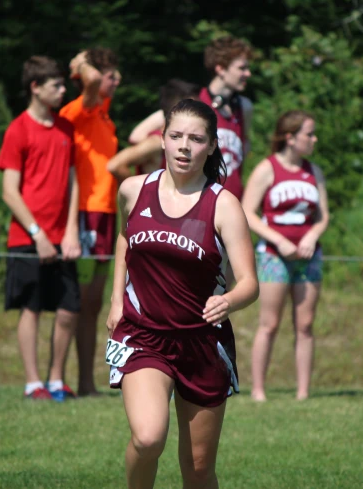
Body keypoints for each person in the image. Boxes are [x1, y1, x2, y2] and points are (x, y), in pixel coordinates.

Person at [106, 99, 258, 488]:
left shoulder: (223, 205)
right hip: (143, 336)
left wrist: (229, 301)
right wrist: (116, 299)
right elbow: (126, 239)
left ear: (211, 146)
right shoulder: (133, 189)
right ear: (163, 140)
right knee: (148, 437)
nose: (184, 146)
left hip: (202, 342)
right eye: (176, 136)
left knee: (198, 468)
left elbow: (249, 284)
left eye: (196, 138)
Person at [0, 56, 82, 401]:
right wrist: (38, 234)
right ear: (35, 87)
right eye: (56, 86)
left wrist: (72, 229)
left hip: (64, 238)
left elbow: (73, 183)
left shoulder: (66, 129)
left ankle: (57, 380)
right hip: (28, 239)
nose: (63, 91)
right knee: (30, 308)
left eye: (63, 84)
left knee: (67, 309)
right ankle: (33, 384)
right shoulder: (17, 130)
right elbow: (9, 191)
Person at [242, 111, 329, 402]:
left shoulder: (313, 171)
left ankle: (303, 392)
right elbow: (247, 212)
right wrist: (278, 240)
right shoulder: (267, 169)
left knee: (305, 325)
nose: (314, 139)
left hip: (308, 256)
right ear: (290, 138)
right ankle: (258, 391)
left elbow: (322, 216)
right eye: (309, 134)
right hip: (272, 256)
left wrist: (312, 236)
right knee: (270, 324)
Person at [60, 47, 121, 396]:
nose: (116, 81)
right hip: (84, 213)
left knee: (94, 303)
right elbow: (94, 79)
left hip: (106, 214)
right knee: (80, 300)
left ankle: (85, 382)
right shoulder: (77, 112)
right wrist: (81, 61)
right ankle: (60, 379)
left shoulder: (104, 116)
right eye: (111, 75)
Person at [127, 35, 253, 199]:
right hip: (194, 200)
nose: (248, 73)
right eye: (241, 68)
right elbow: (137, 135)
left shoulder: (244, 107)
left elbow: (245, 145)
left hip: (230, 200)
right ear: (221, 68)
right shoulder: (194, 101)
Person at [106, 79, 200, 182]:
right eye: (193, 109)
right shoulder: (157, 142)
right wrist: (139, 191)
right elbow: (115, 165)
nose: (200, 114)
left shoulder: (191, 142)